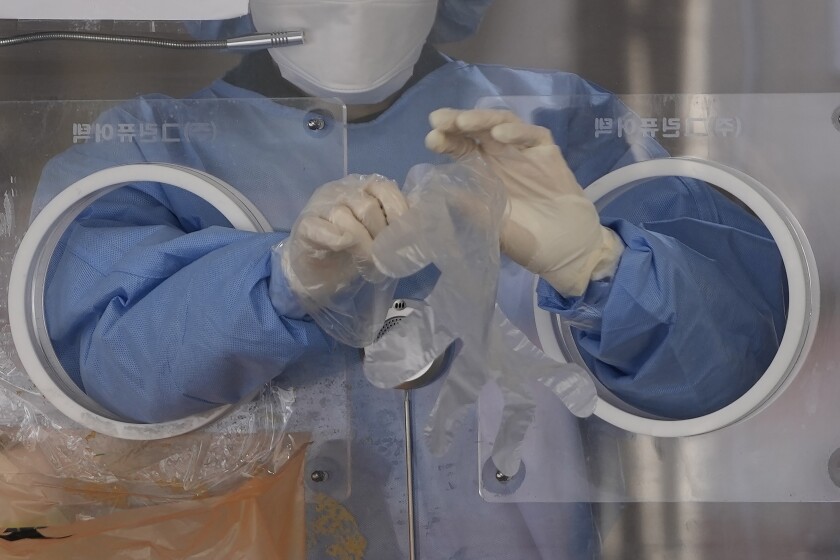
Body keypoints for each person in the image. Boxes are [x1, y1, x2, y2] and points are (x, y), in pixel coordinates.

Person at [31, 0, 787, 557]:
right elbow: (102, 374)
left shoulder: (562, 123)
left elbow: (730, 374)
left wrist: (598, 267)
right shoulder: (151, 151)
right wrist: (281, 279)